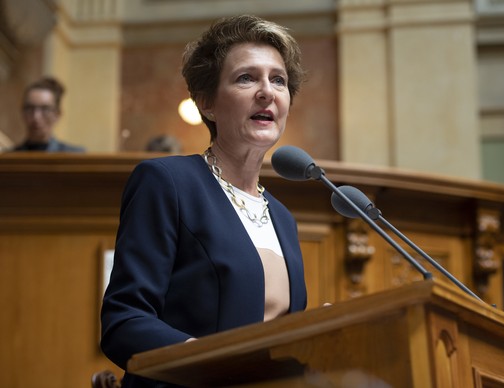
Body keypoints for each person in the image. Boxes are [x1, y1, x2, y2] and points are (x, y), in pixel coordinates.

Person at [100, 15, 308, 387]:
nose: (267, 92)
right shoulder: (168, 183)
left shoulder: (282, 218)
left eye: (278, 80)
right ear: (206, 103)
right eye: (247, 78)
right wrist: (206, 361)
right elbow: (125, 321)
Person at [12, 76, 85, 152]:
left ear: (57, 114)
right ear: (22, 112)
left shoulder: (74, 157)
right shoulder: (8, 158)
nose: (36, 116)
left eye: (45, 109)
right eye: (30, 108)